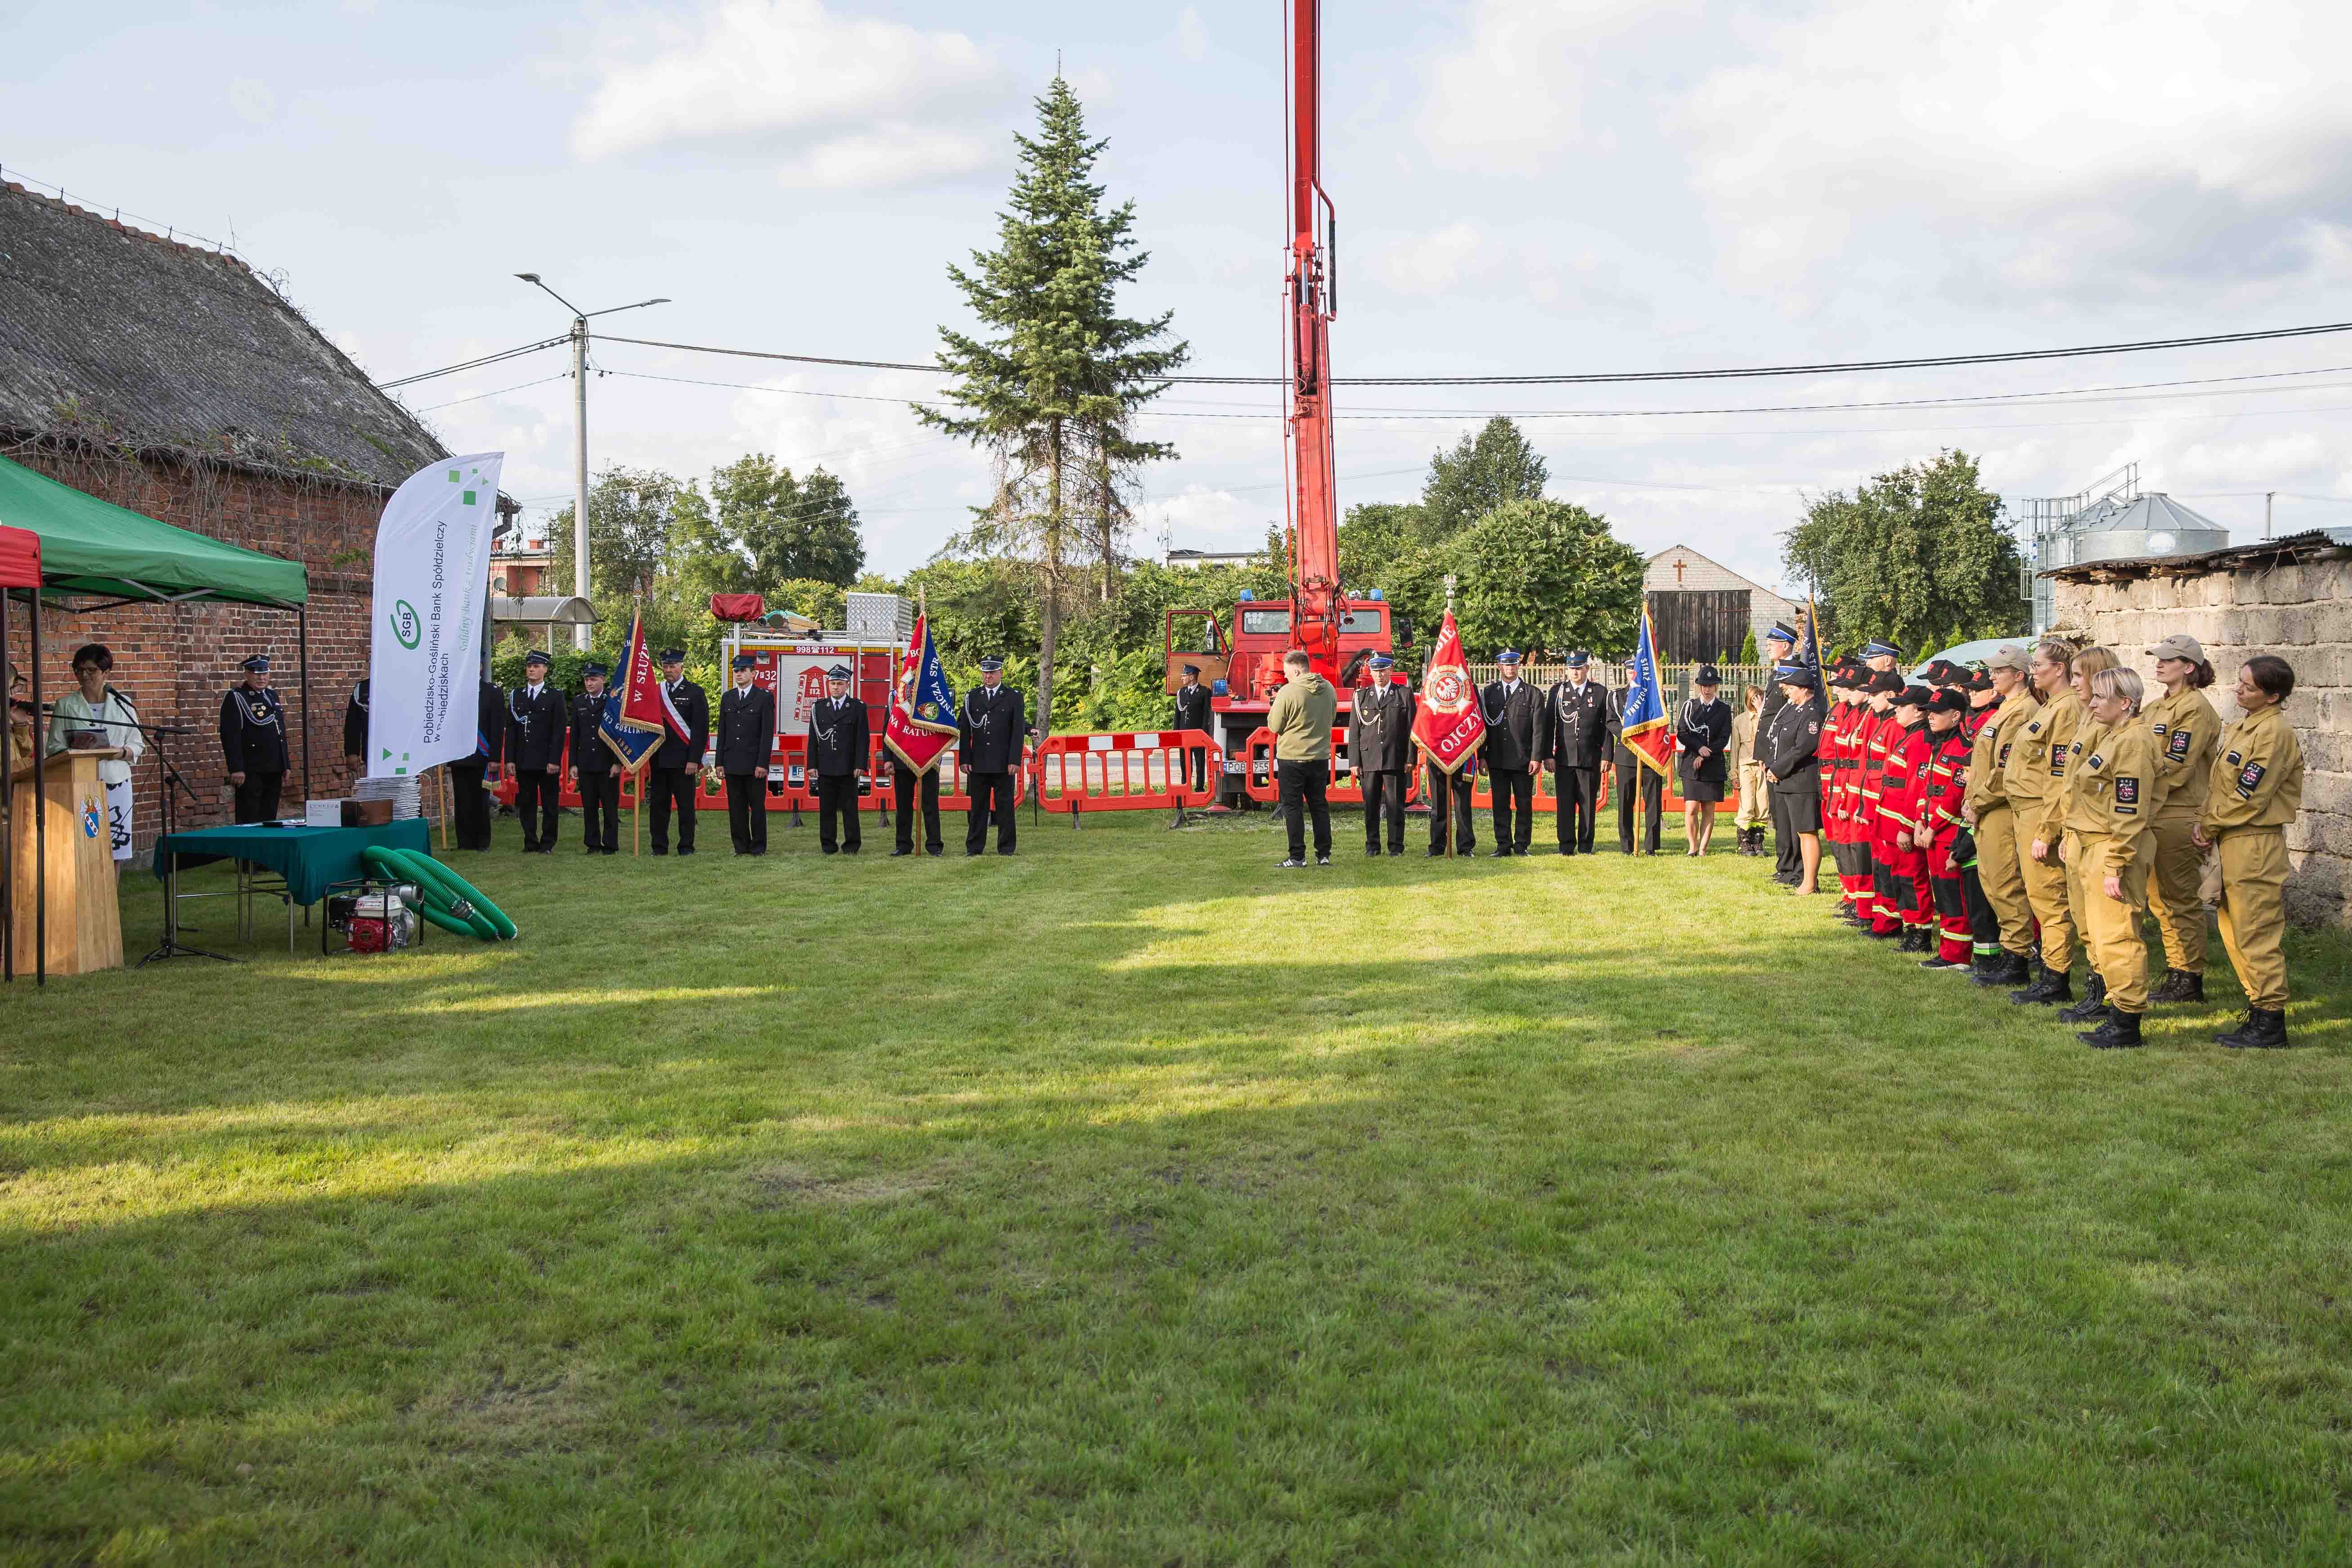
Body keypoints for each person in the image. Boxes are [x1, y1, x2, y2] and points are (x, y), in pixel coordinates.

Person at [2196, 655, 2305, 1048]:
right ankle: (2257, 1007)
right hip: (2231, 837)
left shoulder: (2274, 733)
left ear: (2273, 696)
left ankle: (2271, 1020)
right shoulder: (2244, 726)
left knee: (2256, 931)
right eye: (2240, 682)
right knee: (2233, 929)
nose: (2239, 690)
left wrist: (2209, 824)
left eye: (2250, 687)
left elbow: (2250, 796)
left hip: (2253, 840)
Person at [2064, 666, 2162, 1048]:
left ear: (2125, 702)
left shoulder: (2133, 741)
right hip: (2095, 842)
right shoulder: (2113, 736)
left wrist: (2116, 864)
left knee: (2119, 935)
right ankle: (2114, 1008)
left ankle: (2127, 1021)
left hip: (2114, 845)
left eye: (2101, 697)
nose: (2091, 703)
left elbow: (2129, 809)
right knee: (2102, 937)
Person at [2141, 634, 2222, 1004]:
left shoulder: (2196, 709)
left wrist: (2140, 787)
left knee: (2180, 899)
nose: (2159, 664)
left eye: (2168, 659)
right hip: (2156, 810)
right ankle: (2177, 969)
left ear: (2189, 667)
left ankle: (2189, 978)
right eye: (2158, 658)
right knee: (2160, 901)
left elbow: (2179, 765)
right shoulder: (2158, 707)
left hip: (2178, 811)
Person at [2004, 640, 2085, 1006]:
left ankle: (2056, 977)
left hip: (2042, 809)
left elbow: (2059, 775)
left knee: (2050, 898)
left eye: (2039, 665)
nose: (2034, 670)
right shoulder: (2051, 706)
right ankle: (2049, 970)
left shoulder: (2067, 709)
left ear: (2059, 669)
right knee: (2039, 896)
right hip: (2026, 808)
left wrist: (2048, 828)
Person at [1959, 647, 2038, 986]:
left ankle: (2017, 957)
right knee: (1992, 882)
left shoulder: (2024, 711)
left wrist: (1977, 801)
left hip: (2000, 808)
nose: (1992, 676)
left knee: (2006, 884)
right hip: (1985, 807)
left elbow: (2006, 769)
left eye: (1999, 670)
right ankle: (2010, 951)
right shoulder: (2005, 708)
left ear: (2019, 674)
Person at [2051, 646, 2121, 1024]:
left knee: (2104, 923)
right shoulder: (2085, 720)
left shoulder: (2107, 727)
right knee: (2083, 917)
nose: (2075, 682)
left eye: (2080, 675)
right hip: (2078, 830)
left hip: (2099, 832)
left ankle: (2111, 994)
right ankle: (2097, 987)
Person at [46, 643, 145, 867]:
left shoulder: (124, 704)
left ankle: (113, 901)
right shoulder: (66, 705)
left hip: (117, 782)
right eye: (79, 670)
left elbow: (137, 743)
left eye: (91, 670)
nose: (84, 675)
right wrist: (75, 750)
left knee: (115, 850)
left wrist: (120, 752)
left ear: (106, 673)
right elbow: (53, 747)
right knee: (86, 847)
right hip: (82, 783)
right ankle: (86, 899)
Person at [1916, 688, 1976, 968]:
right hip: (1931, 831)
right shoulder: (1938, 746)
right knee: (1943, 894)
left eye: (1938, 713)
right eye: (1929, 712)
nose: (1931, 717)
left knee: (1954, 897)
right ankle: (1947, 950)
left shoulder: (1962, 750)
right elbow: (1927, 789)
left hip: (1947, 835)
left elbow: (1954, 796)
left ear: (1956, 716)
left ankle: (1958, 955)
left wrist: (1933, 827)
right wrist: (1919, 820)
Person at [1267, 649, 1337, 867]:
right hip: (1319, 758)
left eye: (1287, 673)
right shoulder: (1330, 689)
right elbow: (1332, 717)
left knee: (1294, 808)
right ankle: (1323, 854)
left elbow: (1274, 726)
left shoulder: (1288, 692)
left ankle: (1298, 856)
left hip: (1292, 758)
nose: (1285, 677)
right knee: (1319, 806)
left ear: (1296, 671)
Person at [1876, 684, 1934, 945]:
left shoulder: (1921, 740)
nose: (1897, 710)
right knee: (1901, 877)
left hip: (1904, 822)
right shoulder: (1909, 736)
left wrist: (1907, 827)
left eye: (1903, 706)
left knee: (1914, 878)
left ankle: (1921, 932)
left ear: (1919, 712)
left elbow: (1915, 788)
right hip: (1892, 821)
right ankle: (1910, 926)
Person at [1760, 664, 1824, 894]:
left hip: (1801, 781)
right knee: (1796, 832)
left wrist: (1778, 768)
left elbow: (1803, 748)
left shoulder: (1812, 714)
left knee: (1807, 832)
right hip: (1788, 780)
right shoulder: (1794, 711)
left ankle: (1809, 881)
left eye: (1793, 688)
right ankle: (1800, 876)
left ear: (1805, 690)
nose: (1789, 691)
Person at [959, 655, 1031, 856]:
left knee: (1005, 807)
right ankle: (974, 847)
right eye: (985, 672)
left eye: (992, 672)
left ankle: (1007, 847)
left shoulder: (1013, 697)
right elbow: (965, 730)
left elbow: (1017, 732)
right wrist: (964, 759)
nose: (988, 676)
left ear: (1001, 673)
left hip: (1002, 762)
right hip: (979, 762)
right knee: (977, 808)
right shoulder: (972, 697)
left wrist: (1014, 760)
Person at [1538, 650, 1607, 855]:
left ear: (1587, 668)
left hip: (1590, 758)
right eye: (1572, 668)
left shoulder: (1600, 692)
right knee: (1565, 804)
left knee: (1588, 804)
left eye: (1579, 668)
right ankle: (1566, 845)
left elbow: (1606, 728)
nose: (1575, 672)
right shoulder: (1558, 692)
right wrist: (1547, 755)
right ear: (1567, 670)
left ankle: (1586, 845)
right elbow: (1549, 725)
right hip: (1564, 759)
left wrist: (1607, 756)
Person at [1347, 652, 1412, 855]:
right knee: (1371, 806)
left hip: (1395, 757)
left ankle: (1396, 846)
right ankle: (1373, 846)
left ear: (1391, 670)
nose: (1379, 674)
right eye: (1375, 670)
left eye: (1383, 670)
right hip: (1369, 759)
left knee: (1396, 805)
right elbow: (1355, 732)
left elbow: (1411, 730)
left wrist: (1411, 759)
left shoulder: (1404, 694)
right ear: (1370, 672)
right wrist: (1354, 762)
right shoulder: (1361, 696)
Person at [647, 649, 709, 856]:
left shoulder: (694, 692)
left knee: (685, 808)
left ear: (682, 667)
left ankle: (686, 846)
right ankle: (659, 847)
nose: (668, 670)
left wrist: (694, 760)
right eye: (665, 666)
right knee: (658, 807)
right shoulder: (656, 692)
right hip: (659, 760)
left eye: (672, 666)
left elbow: (700, 730)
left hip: (684, 762)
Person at [1479, 649, 1540, 856]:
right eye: (1506, 665)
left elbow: (1539, 730)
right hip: (1496, 758)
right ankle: (1503, 845)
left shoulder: (1532, 693)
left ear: (1518, 666)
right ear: (1499, 667)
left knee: (1524, 804)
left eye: (1514, 664)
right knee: (1500, 804)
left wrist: (1536, 758)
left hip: (1523, 759)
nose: (1510, 668)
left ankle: (1522, 845)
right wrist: (1482, 757)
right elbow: (1482, 729)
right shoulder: (1488, 693)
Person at [507, 650, 566, 854]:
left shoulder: (555, 696)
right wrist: (510, 759)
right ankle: (530, 841)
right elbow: (513, 730)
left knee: (550, 804)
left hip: (546, 760)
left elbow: (559, 731)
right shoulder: (517, 695)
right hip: (524, 760)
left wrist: (554, 760)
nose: (532, 670)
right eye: (529, 666)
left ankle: (548, 843)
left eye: (536, 666)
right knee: (527, 803)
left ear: (545, 670)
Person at [717, 653, 776, 856]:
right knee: (736, 808)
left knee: (757, 808)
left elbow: (767, 734)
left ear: (754, 673)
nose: (739, 674)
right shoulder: (728, 697)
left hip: (754, 764)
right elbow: (723, 731)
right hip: (732, 762)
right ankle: (740, 846)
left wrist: (763, 763)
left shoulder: (764, 697)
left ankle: (758, 847)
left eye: (743, 671)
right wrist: (719, 763)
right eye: (736, 671)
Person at [219, 653, 288, 824]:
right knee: (249, 817)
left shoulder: (272, 696)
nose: (261, 678)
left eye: (265, 673)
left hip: (274, 766)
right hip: (251, 768)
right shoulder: (237, 697)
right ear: (247, 674)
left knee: (269, 816)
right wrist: (236, 768)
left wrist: (285, 763)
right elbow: (230, 735)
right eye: (257, 674)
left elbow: (280, 733)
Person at [807, 664, 868, 855]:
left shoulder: (857, 707)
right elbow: (813, 739)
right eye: (832, 683)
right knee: (826, 810)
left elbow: (862, 739)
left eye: (839, 684)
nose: (835, 687)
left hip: (848, 767)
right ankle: (828, 846)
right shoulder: (819, 708)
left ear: (847, 686)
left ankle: (851, 845)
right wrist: (812, 764)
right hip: (825, 766)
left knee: (850, 809)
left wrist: (860, 764)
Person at [1607, 655, 1664, 855]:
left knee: (1653, 804)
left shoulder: (1653, 697)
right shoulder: (1617, 697)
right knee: (1625, 803)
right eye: (1630, 671)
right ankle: (1627, 845)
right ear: (1626, 673)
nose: (1633, 674)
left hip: (1650, 756)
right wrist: (1629, 733)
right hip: (1626, 757)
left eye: (1636, 671)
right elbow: (1611, 722)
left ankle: (1651, 847)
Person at [1675, 665, 1732, 856]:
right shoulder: (1689, 706)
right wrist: (1698, 748)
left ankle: (1703, 849)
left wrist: (1707, 753)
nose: (1707, 689)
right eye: (1703, 685)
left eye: (1710, 685)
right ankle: (1692, 847)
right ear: (1699, 686)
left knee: (1709, 807)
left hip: (1713, 762)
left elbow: (1724, 737)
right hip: (1692, 762)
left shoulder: (1724, 709)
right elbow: (1682, 732)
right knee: (1691, 807)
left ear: (1716, 686)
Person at [889, 669, 945, 858]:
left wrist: (937, 755)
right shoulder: (895, 697)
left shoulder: (934, 694)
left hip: (928, 759)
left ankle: (934, 845)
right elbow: (888, 729)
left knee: (930, 805)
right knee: (903, 806)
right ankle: (903, 845)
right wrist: (888, 759)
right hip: (902, 758)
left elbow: (941, 727)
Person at [568, 661, 620, 855]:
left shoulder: (612, 701)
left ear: (603, 680)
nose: (589, 683)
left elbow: (618, 733)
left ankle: (610, 844)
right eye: (587, 680)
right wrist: (573, 763)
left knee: (609, 806)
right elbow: (576, 734)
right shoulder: (580, 701)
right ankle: (592, 843)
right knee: (589, 806)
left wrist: (617, 762)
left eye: (593, 679)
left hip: (607, 762)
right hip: (586, 761)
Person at [1729, 684, 1767, 856]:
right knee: (1747, 803)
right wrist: (1734, 774)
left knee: (1763, 803)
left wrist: (1762, 711)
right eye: (1752, 699)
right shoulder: (1739, 721)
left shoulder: (1766, 718)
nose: (1755, 703)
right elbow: (1735, 748)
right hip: (1746, 765)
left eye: (1758, 699)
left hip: (1763, 766)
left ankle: (1757, 840)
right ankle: (1743, 842)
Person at [1172, 662, 1213, 796]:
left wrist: (1205, 733)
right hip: (1184, 734)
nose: (1182, 678)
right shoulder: (1181, 693)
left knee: (1200, 762)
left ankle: (1200, 788)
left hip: (1198, 734)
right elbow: (1177, 716)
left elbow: (1207, 715)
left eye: (1185, 676)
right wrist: (1175, 733)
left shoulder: (1204, 692)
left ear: (1192, 677)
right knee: (1185, 762)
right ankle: (1186, 786)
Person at [341, 677, 369, 772]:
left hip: (404, 753)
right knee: (378, 785)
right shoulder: (363, 689)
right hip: (373, 754)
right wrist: (352, 752)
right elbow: (353, 723)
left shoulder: (407, 685)